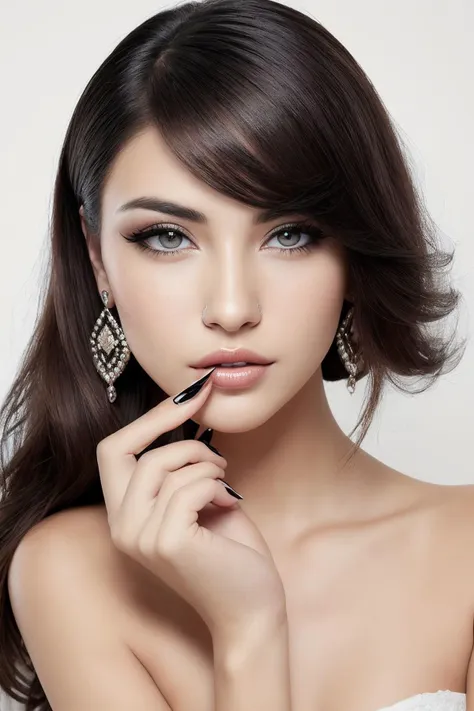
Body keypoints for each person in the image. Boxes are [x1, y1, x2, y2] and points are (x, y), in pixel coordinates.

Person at [0, 0, 468, 709]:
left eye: (290, 234)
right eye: (166, 236)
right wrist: (249, 627)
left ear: (353, 248)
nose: (231, 305)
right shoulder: (70, 571)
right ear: (98, 260)